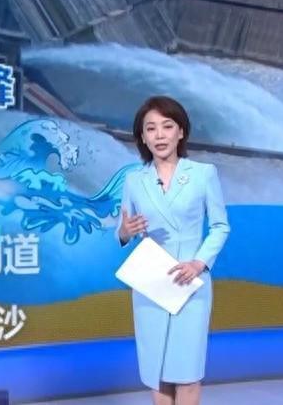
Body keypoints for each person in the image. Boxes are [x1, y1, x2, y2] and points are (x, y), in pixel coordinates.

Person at [116, 95, 231, 405]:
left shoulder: (203, 174)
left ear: (181, 131)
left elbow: (220, 226)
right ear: (142, 137)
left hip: (190, 282)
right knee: (157, 371)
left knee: (188, 372)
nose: (159, 135)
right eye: (151, 128)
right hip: (151, 284)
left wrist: (199, 263)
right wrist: (125, 231)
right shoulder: (133, 180)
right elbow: (122, 230)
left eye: (167, 126)